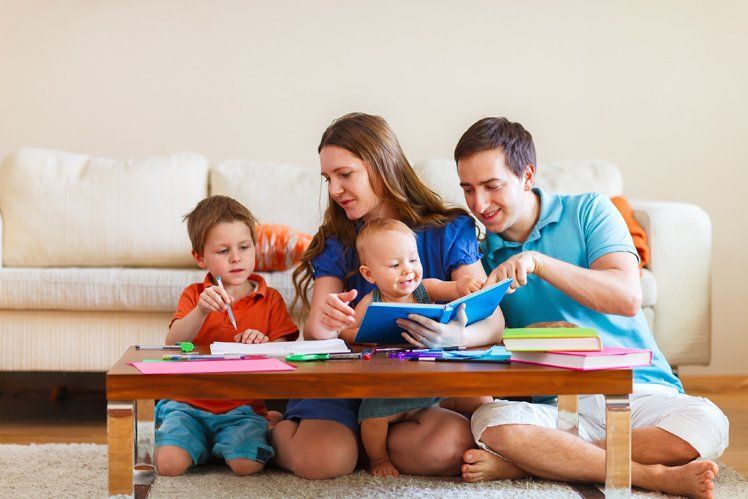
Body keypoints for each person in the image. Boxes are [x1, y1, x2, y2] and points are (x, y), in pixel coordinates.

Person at [448, 117, 728, 498]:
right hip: (556, 408)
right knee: (489, 422)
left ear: (528, 175)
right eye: (468, 189)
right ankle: (651, 476)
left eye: (492, 186)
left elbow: (627, 297)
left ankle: (535, 463)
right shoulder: (477, 253)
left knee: (709, 422)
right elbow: (487, 342)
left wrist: (539, 262)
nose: (479, 204)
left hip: (636, 390)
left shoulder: (588, 211)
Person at [271, 112, 504, 479]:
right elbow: (316, 333)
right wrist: (328, 322)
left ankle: (369, 447)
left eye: (345, 175)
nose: (333, 190)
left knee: (451, 447)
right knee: (323, 461)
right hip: (348, 384)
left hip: (413, 394)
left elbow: (492, 316)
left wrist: (460, 336)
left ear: (381, 165)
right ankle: (273, 428)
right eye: (328, 179)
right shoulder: (338, 240)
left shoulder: (448, 230)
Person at [155, 195, 299, 477]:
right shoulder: (195, 296)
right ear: (200, 258)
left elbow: (284, 350)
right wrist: (200, 311)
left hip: (242, 409)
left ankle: (232, 438)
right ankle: (200, 442)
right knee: (168, 464)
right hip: (187, 405)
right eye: (223, 251)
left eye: (244, 247)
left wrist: (263, 342)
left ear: (255, 248)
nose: (236, 257)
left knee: (248, 466)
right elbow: (172, 342)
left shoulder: (270, 299)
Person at [345, 218, 487, 478]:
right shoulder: (370, 302)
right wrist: (369, 334)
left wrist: (463, 286)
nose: (407, 270)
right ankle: (378, 459)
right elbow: (346, 332)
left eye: (413, 260)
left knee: (481, 397)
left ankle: (499, 438)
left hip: (430, 383)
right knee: (373, 420)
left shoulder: (425, 289)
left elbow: (452, 288)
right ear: (369, 274)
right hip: (387, 389)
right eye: (395, 265)